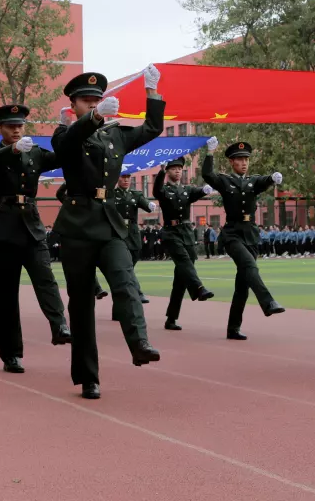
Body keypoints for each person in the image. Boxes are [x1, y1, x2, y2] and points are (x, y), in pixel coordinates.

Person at [52, 67, 164, 400]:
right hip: (77, 226)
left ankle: (140, 343)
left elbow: (152, 128)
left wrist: (152, 92)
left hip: (109, 222)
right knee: (81, 305)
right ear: (74, 105)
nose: (93, 104)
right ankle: (89, 377)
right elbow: (68, 143)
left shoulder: (116, 135)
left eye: (96, 100)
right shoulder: (66, 134)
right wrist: (94, 117)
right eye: (86, 101)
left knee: (125, 281)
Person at [0, 104, 71, 373]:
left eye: (19, 126)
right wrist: (14, 150)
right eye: (10, 126)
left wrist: (66, 130)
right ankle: (11, 354)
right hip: (4, 227)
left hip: (31, 224)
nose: (16, 130)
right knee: (6, 294)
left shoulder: (35, 152)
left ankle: (59, 325)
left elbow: (63, 157)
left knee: (45, 277)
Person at [201, 137, 285, 340]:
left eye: (246, 159)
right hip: (232, 234)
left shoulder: (253, 181)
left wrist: (272, 178)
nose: (244, 162)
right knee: (249, 265)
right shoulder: (225, 181)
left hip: (250, 234)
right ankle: (268, 302)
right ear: (232, 162)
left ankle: (233, 328)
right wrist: (210, 153)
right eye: (239, 159)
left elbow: (263, 181)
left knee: (243, 285)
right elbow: (207, 174)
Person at [153, 158, 216, 331]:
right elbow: (156, 190)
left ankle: (171, 318)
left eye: (180, 169)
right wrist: (160, 171)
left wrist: (204, 190)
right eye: (174, 168)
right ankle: (198, 288)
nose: (178, 171)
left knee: (181, 279)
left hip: (186, 233)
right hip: (171, 232)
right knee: (184, 260)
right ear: (168, 171)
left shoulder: (186, 190)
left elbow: (196, 192)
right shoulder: (164, 190)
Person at [110, 172, 155, 306]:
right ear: (117, 178)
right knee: (126, 263)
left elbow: (144, 203)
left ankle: (123, 290)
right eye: (123, 177)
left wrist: (149, 205)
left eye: (128, 177)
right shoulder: (112, 194)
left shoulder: (136, 194)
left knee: (131, 260)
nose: (126, 180)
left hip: (133, 233)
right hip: (118, 231)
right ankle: (138, 292)